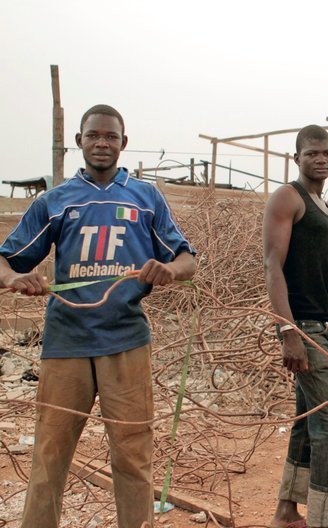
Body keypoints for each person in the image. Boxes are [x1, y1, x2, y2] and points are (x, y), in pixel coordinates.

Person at [0, 104, 196, 528]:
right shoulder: (55, 201)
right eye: (94, 136)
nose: (102, 143)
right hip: (65, 344)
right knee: (49, 455)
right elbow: (5, 262)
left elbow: (186, 260)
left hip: (125, 341)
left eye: (111, 137)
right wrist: (17, 279)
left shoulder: (145, 198)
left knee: (132, 453)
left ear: (123, 144)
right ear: (79, 142)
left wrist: (168, 270)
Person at [264, 125, 328, 528]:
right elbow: (272, 266)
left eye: (327, 153)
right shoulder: (289, 197)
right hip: (304, 328)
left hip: (327, 325)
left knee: (308, 417)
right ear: (296, 157)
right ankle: (323, 520)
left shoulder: (324, 204)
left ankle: (287, 509)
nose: (321, 159)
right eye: (312, 153)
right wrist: (289, 332)